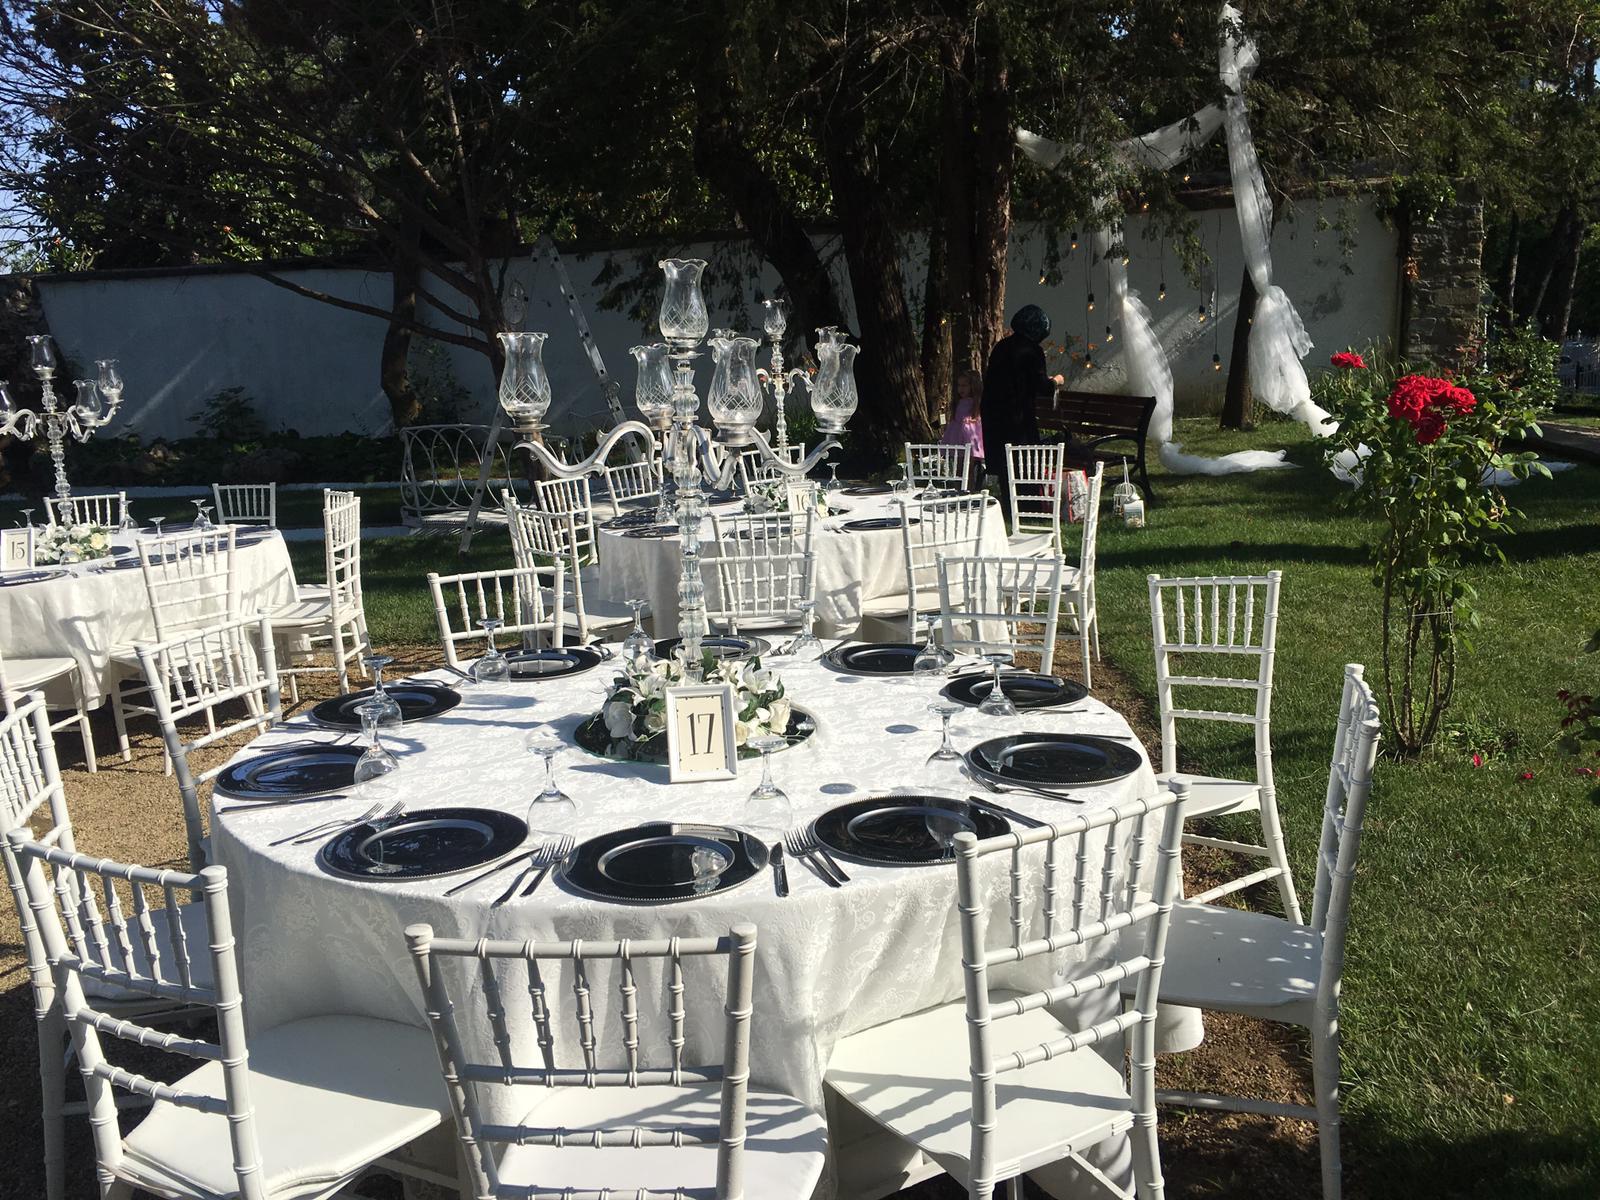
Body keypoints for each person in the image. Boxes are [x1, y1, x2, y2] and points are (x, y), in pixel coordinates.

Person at [981, 304, 1064, 514]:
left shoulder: (1001, 347)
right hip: (1017, 415)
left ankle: (1010, 504)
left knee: (1005, 463)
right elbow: (1041, 386)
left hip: (994, 412)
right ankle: (1028, 504)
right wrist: (1056, 381)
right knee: (1025, 459)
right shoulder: (1032, 350)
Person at [938, 369, 985, 489]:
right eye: (959, 386)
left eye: (964, 386)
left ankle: (969, 491)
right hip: (958, 438)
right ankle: (958, 490)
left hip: (970, 439)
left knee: (969, 469)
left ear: (973, 386)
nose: (961, 389)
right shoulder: (959, 402)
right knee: (958, 469)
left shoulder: (976, 403)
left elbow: (976, 421)